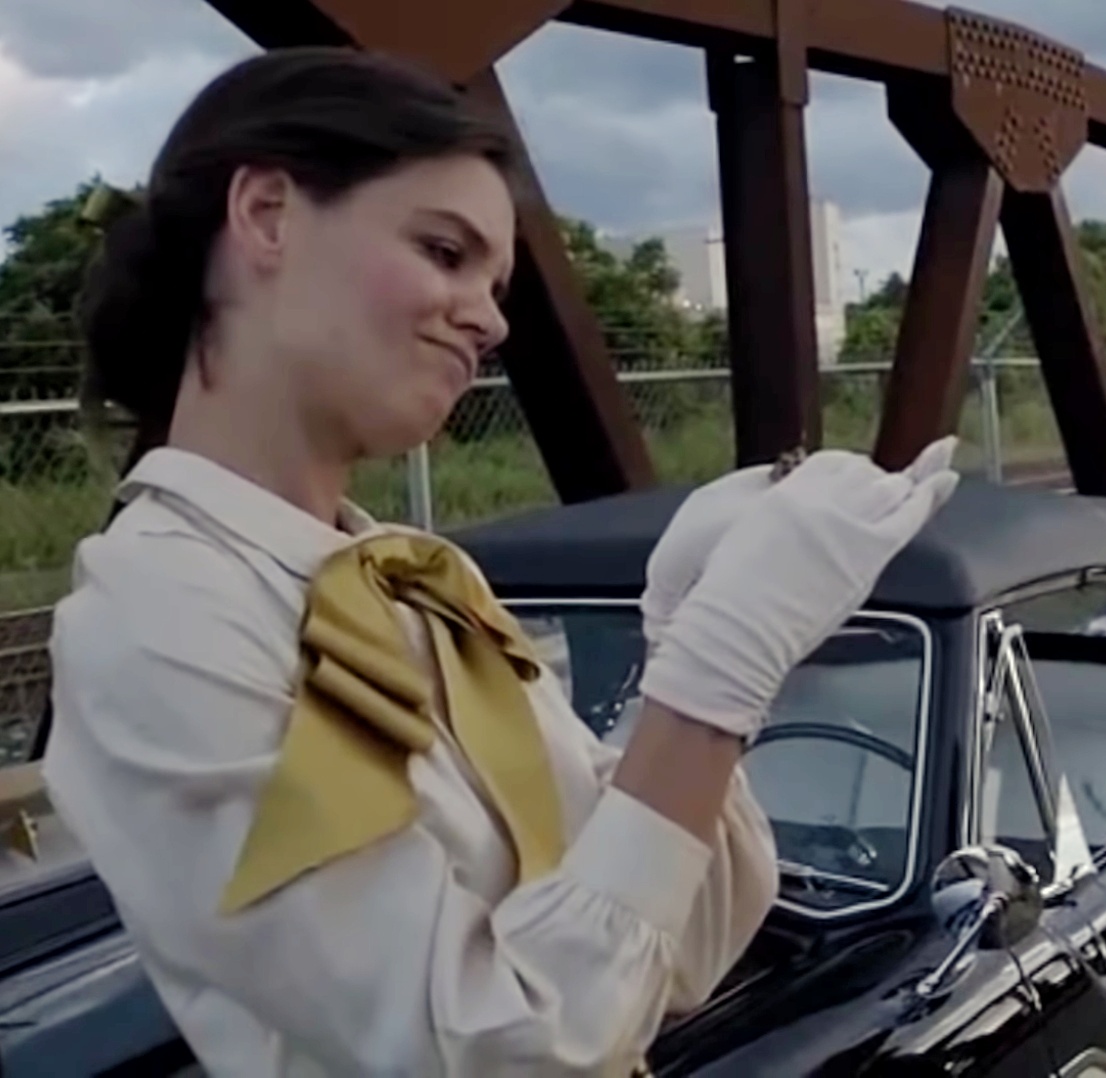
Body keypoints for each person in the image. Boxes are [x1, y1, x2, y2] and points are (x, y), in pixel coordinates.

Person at [40, 46, 960, 1077]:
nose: (490, 318)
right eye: (444, 251)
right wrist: (713, 680)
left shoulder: (425, 583)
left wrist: (678, 649)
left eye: (496, 282)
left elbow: (677, 948)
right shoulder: (157, 614)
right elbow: (499, 1047)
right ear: (265, 215)